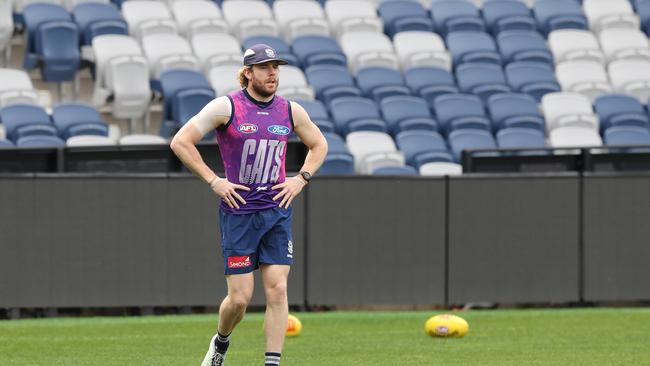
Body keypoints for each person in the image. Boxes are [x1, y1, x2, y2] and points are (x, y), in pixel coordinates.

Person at [170, 44, 328, 366]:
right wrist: (214, 181)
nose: (273, 73)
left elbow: (319, 144)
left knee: (278, 289)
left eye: (276, 67)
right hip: (239, 213)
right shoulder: (226, 107)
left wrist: (301, 178)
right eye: (265, 67)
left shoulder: (290, 110)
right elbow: (180, 141)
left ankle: (272, 362)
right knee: (240, 299)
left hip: (276, 211)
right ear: (248, 72)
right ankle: (221, 341)